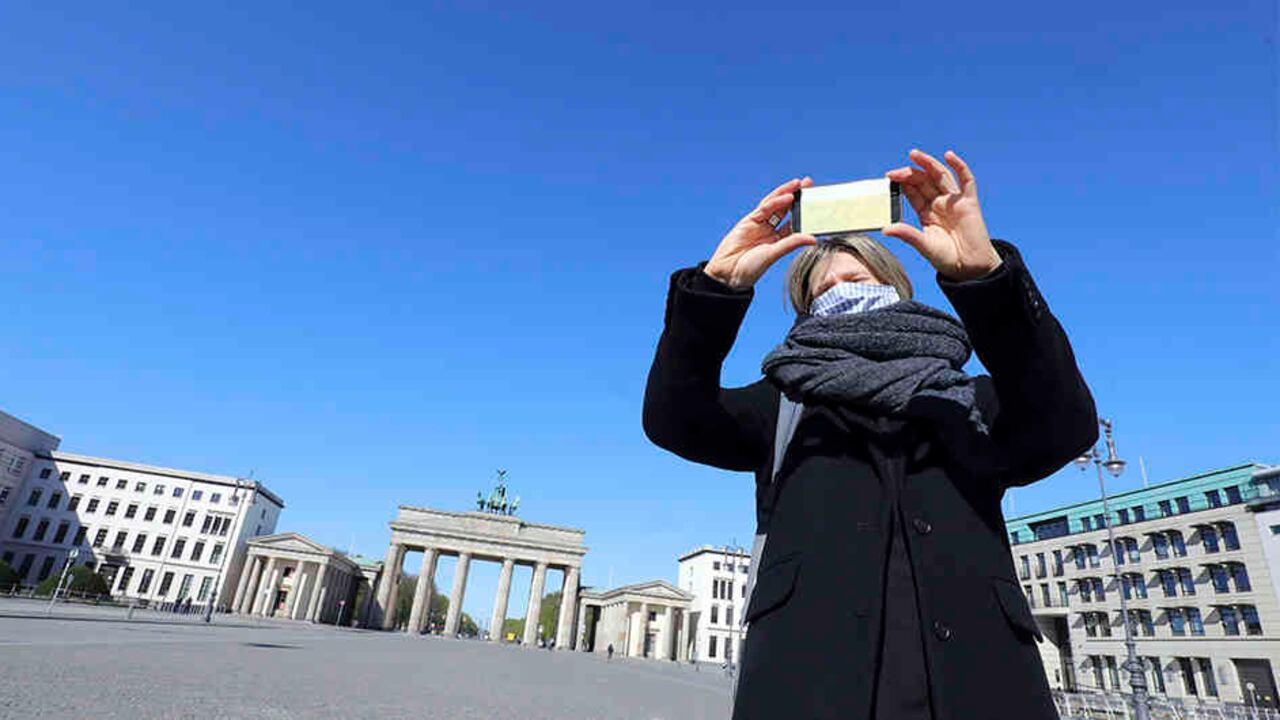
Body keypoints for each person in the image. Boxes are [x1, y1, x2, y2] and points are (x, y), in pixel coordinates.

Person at [643, 150, 1097, 720]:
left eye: (858, 278)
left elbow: (1066, 424)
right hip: (810, 690)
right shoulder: (783, 400)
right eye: (822, 292)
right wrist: (717, 289)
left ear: (896, 284)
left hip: (980, 687)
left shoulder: (969, 396)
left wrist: (984, 278)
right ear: (806, 313)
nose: (843, 291)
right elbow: (672, 417)